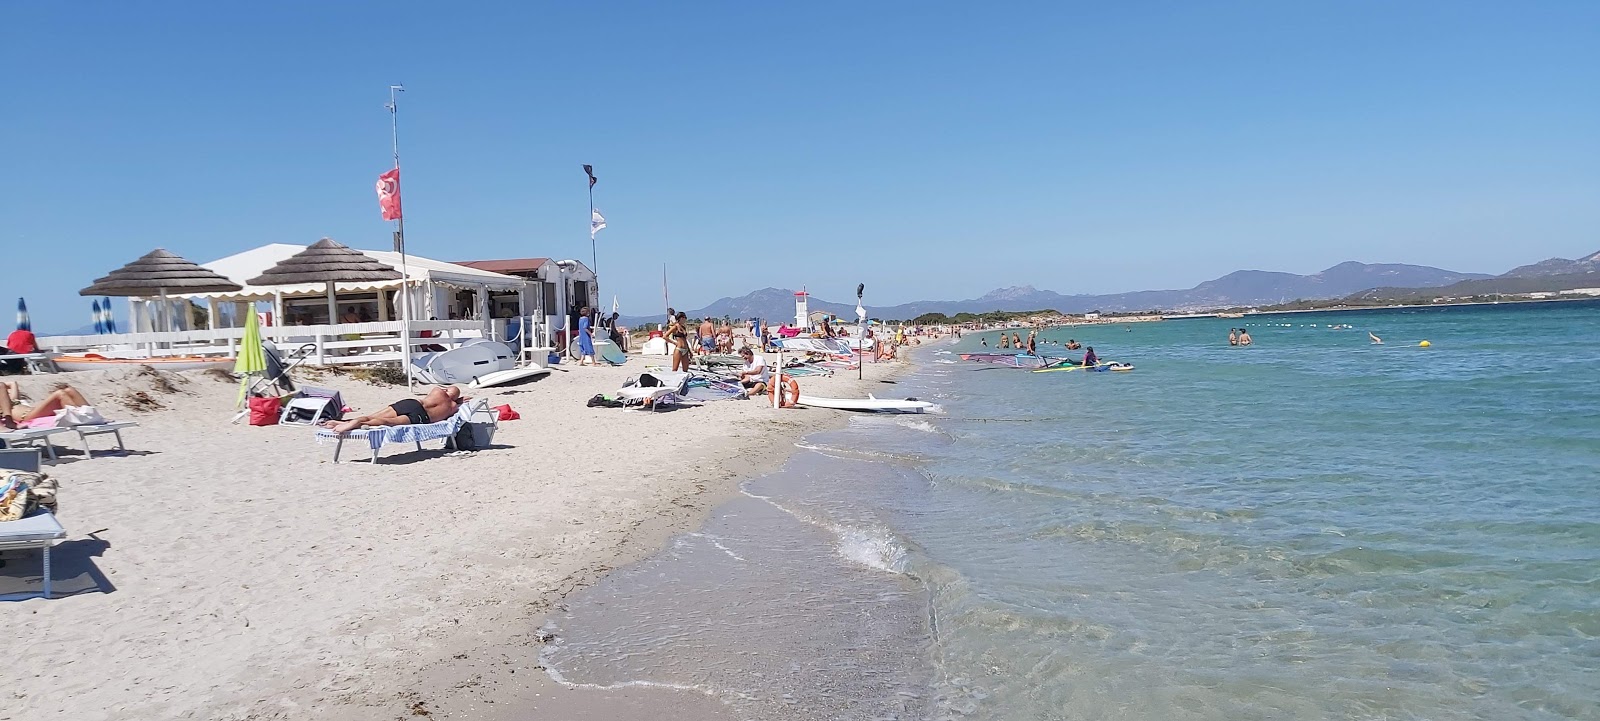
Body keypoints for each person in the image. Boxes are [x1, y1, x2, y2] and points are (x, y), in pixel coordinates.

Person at [322, 385, 465, 434]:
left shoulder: (437, 391)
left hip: (412, 404)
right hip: (421, 418)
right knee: (385, 421)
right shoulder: (452, 407)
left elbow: (438, 394)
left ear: (447, 389)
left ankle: (345, 422)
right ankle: (356, 424)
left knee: (373, 415)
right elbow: (457, 403)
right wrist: (458, 400)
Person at [0, 383, 91, 429]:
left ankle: (91, 413)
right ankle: (82, 416)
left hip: (34, 410)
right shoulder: (4, 406)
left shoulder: (13, 399)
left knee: (69, 390)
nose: (6, 392)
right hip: (26, 416)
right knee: (60, 394)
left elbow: (12, 383)